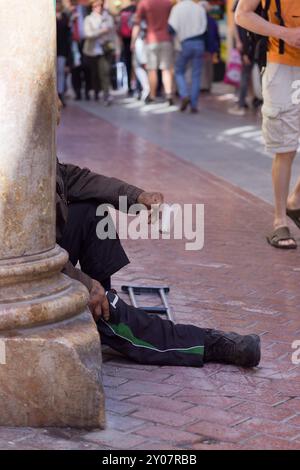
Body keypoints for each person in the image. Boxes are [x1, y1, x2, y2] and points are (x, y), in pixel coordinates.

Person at [56, 99, 260, 369]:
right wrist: (82, 282)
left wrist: (138, 197)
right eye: (53, 97)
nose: (59, 103)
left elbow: (74, 179)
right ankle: (205, 343)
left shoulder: (37, 147)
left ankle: (103, 306)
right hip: (27, 276)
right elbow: (28, 253)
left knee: (92, 209)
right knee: (125, 318)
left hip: (48, 256)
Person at [236, 0, 300, 249]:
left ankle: (295, 201)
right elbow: (242, 14)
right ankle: (279, 220)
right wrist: (285, 33)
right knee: (286, 149)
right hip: (282, 67)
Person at [131, 0, 174, 105]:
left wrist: (133, 41)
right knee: (166, 69)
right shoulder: (167, 2)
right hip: (166, 39)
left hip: (151, 40)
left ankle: (152, 95)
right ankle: (168, 94)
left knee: (152, 69)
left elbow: (137, 24)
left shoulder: (144, 3)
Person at [168, 0, 207, 113]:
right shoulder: (199, 8)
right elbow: (205, 29)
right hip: (199, 43)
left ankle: (184, 94)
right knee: (196, 75)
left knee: (179, 71)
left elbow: (171, 29)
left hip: (184, 43)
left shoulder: (177, 8)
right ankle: (194, 104)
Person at [83, 0, 113, 105]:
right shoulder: (89, 19)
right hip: (92, 50)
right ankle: (96, 91)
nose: (99, 7)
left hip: (105, 49)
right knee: (94, 73)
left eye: (100, 5)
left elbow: (112, 32)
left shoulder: (107, 17)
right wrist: (101, 32)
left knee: (105, 71)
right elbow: (88, 34)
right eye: (96, 6)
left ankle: (106, 94)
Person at [118, 0, 137, 96]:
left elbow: (118, 29)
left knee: (128, 64)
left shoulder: (123, 11)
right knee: (138, 64)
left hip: (125, 41)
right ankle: (138, 86)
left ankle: (130, 86)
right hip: (137, 40)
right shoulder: (137, 9)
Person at [56, 1, 72, 107]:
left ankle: (60, 95)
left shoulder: (65, 17)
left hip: (61, 50)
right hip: (51, 51)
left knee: (61, 73)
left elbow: (67, 37)